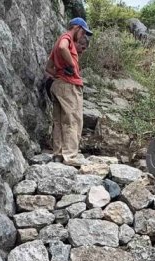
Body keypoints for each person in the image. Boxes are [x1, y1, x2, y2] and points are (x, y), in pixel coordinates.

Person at [45, 18, 92, 165]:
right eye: (83, 31)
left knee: (59, 121)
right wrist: (72, 66)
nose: (83, 35)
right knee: (73, 120)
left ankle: (58, 154)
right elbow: (62, 48)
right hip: (69, 86)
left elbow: (48, 67)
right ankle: (70, 156)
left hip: (58, 85)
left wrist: (59, 73)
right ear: (77, 27)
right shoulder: (67, 39)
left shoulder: (58, 42)